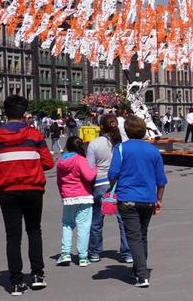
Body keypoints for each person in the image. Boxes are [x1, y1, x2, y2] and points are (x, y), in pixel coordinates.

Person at [0, 95, 55, 296]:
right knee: (34, 230)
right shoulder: (34, 134)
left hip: (8, 191)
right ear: (24, 114)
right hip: (32, 188)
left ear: (5, 114)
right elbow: (48, 163)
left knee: (12, 236)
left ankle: (16, 281)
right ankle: (37, 275)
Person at [108, 115, 168, 288]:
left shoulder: (120, 148)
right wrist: (159, 200)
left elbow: (113, 174)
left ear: (126, 131)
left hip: (127, 198)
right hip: (148, 199)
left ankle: (142, 275)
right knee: (142, 235)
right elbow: (161, 180)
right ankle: (138, 269)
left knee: (133, 236)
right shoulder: (153, 151)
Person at [85, 114, 132, 265]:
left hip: (100, 184)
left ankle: (94, 252)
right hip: (119, 184)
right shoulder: (123, 143)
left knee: (97, 220)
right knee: (123, 220)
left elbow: (90, 168)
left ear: (101, 126)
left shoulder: (95, 143)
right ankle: (127, 253)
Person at [55, 135, 96, 268]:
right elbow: (89, 177)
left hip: (68, 197)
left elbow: (59, 181)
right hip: (84, 196)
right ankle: (83, 256)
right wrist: (95, 169)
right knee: (83, 227)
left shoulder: (61, 162)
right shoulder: (80, 160)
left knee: (67, 224)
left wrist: (63, 195)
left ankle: (65, 253)